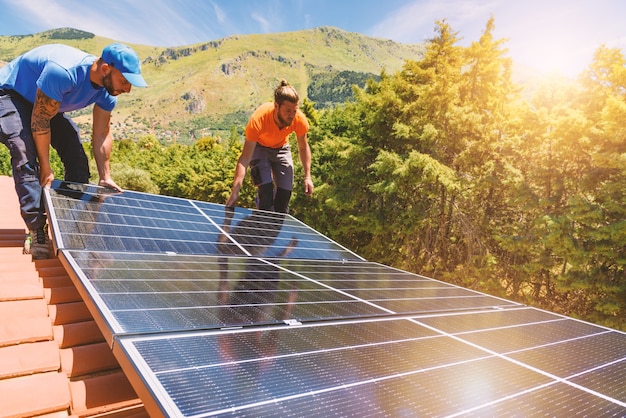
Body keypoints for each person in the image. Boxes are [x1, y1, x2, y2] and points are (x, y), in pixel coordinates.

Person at [0, 42, 147, 259]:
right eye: (124, 81)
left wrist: (105, 176)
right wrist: (46, 167)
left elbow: (102, 134)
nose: (127, 89)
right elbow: (40, 121)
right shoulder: (64, 72)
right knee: (24, 151)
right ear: (105, 69)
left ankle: (65, 223)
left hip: (46, 102)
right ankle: (37, 229)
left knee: (77, 159)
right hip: (11, 95)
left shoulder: (107, 92)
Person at [225, 80, 313, 213]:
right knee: (265, 193)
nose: (292, 116)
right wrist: (235, 192)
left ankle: (271, 228)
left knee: (283, 200)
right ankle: (260, 223)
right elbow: (244, 159)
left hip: (282, 149)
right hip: (260, 148)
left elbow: (303, 148)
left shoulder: (299, 120)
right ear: (276, 106)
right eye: (288, 111)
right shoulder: (258, 119)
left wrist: (308, 177)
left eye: (294, 111)